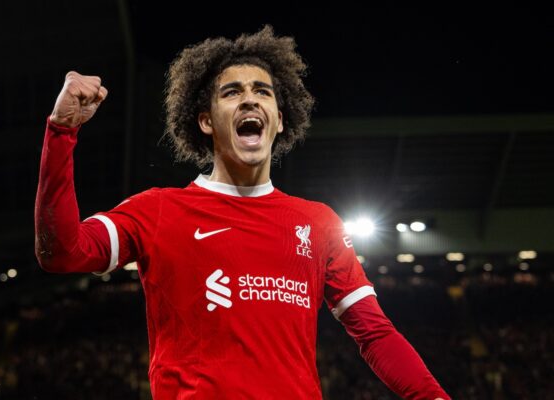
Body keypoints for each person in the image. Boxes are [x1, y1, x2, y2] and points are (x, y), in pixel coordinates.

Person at [35, 25, 450, 399]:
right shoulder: (159, 210)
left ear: (279, 121)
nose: (249, 98)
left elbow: (375, 334)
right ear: (205, 121)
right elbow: (62, 252)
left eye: (262, 91)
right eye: (231, 92)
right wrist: (61, 131)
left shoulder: (318, 222)